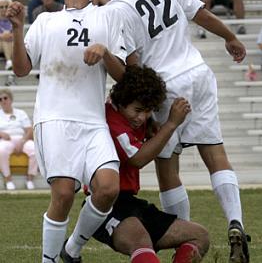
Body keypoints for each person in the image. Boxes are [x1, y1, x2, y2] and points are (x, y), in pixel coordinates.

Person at [86, 0, 250, 263]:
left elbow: (132, 66)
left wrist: (141, 102)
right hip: (199, 72)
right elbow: (200, 14)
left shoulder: (117, 9)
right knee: (216, 155)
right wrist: (229, 37)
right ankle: (236, 223)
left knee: (167, 169)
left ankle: (184, 238)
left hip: (165, 86)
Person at [7, 0, 126, 263]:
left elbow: (123, 74)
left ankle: (71, 250)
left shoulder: (107, 17)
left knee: (109, 188)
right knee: (62, 195)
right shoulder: (46, 21)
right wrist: (19, 29)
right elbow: (21, 69)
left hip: (93, 121)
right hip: (54, 118)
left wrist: (105, 52)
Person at [63, 65, 209, 263]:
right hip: (106, 206)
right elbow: (138, 159)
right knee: (142, 244)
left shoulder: (129, 116)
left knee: (200, 236)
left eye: (148, 111)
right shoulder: (112, 121)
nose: (142, 117)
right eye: (138, 110)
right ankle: (72, 248)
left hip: (132, 203)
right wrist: (171, 124)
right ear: (121, 102)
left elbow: (141, 124)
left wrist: (150, 125)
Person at [0, 89, 38, 190]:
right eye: (0, 99)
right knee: (1, 150)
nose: (3, 101)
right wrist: (1, 133)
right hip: (6, 140)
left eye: (5, 98)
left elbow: (29, 130)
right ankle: (8, 180)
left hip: (22, 139)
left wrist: (23, 140)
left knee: (35, 149)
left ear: (11, 99)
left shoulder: (20, 113)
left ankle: (30, 180)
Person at [0, 0, 13, 71]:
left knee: (8, 41)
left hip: (11, 44)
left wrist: (10, 35)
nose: (4, 9)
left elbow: (19, 34)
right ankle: (9, 61)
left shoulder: (15, 19)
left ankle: (9, 62)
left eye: (6, 6)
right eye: (1, 7)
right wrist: (2, 36)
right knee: (5, 40)